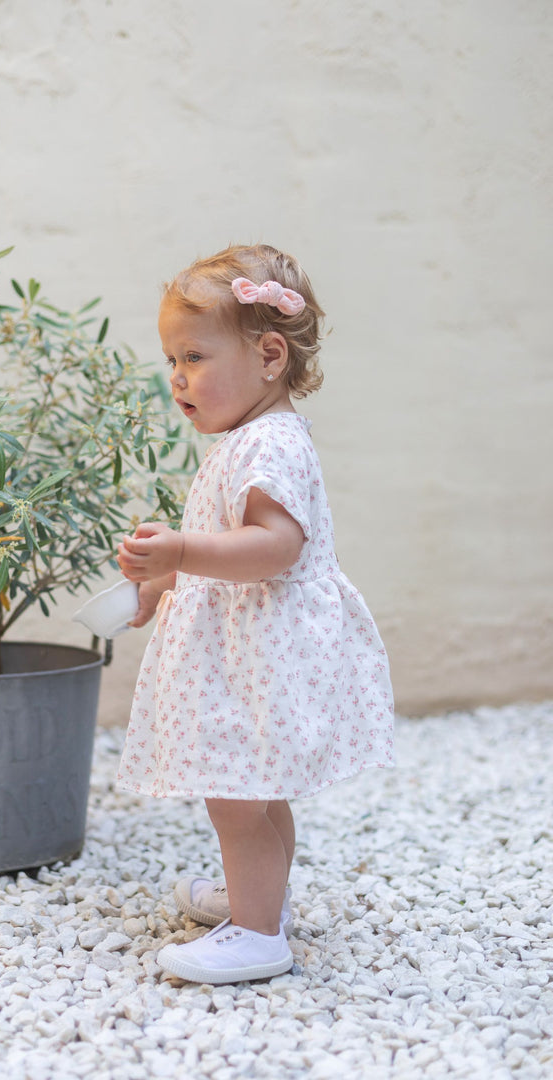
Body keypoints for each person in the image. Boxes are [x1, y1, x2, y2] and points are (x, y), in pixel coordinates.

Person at [115, 243, 394, 985]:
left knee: (237, 801)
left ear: (270, 355)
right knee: (256, 792)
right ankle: (259, 896)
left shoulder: (269, 444)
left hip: (259, 657)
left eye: (195, 357)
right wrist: (166, 581)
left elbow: (274, 548)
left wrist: (180, 549)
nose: (177, 376)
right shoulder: (253, 438)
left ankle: (258, 933)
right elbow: (231, 552)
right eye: (172, 359)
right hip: (253, 652)